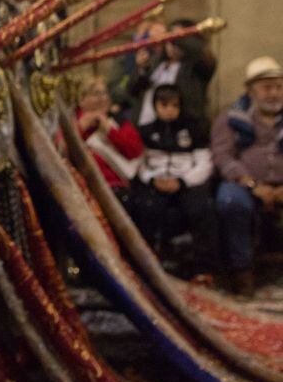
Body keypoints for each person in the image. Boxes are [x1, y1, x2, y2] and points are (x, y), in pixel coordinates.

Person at [211, 56, 283, 296]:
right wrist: (252, 184)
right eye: (266, 87)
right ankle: (242, 273)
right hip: (244, 183)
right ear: (251, 90)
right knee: (230, 202)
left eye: (279, 87)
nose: (274, 93)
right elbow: (222, 156)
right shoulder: (232, 118)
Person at [131, 84, 217, 275]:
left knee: (202, 209)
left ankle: (204, 269)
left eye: (174, 105)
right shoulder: (145, 131)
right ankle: (145, 266)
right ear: (155, 106)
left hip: (186, 181)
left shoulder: (194, 129)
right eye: (164, 105)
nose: (170, 110)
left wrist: (182, 181)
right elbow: (139, 162)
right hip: (155, 181)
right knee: (145, 208)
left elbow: (204, 163)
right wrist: (152, 179)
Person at [116, 19, 216, 130]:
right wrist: (141, 69)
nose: (172, 45)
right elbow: (132, 91)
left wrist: (175, 36)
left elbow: (200, 51)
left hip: (180, 132)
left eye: (177, 40)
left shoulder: (196, 67)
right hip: (146, 129)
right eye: (169, 40)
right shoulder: (156, 62)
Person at [77, 76, 143, 208]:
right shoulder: (73, 124)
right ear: (82, 100)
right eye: (96, 94)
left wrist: (110, 131)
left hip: (119, 188)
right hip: (86, 190)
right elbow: (62, 152)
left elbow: (135, 151)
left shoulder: (117, 121)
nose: (103, 98)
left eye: (105, 93)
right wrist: (80, 128)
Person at [108, 19, 165, 117]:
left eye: (163, 35)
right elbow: (116, 91)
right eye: (151, 35)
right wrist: (138, 67)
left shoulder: (165, 60)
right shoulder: (126, 57)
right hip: (130, 112)